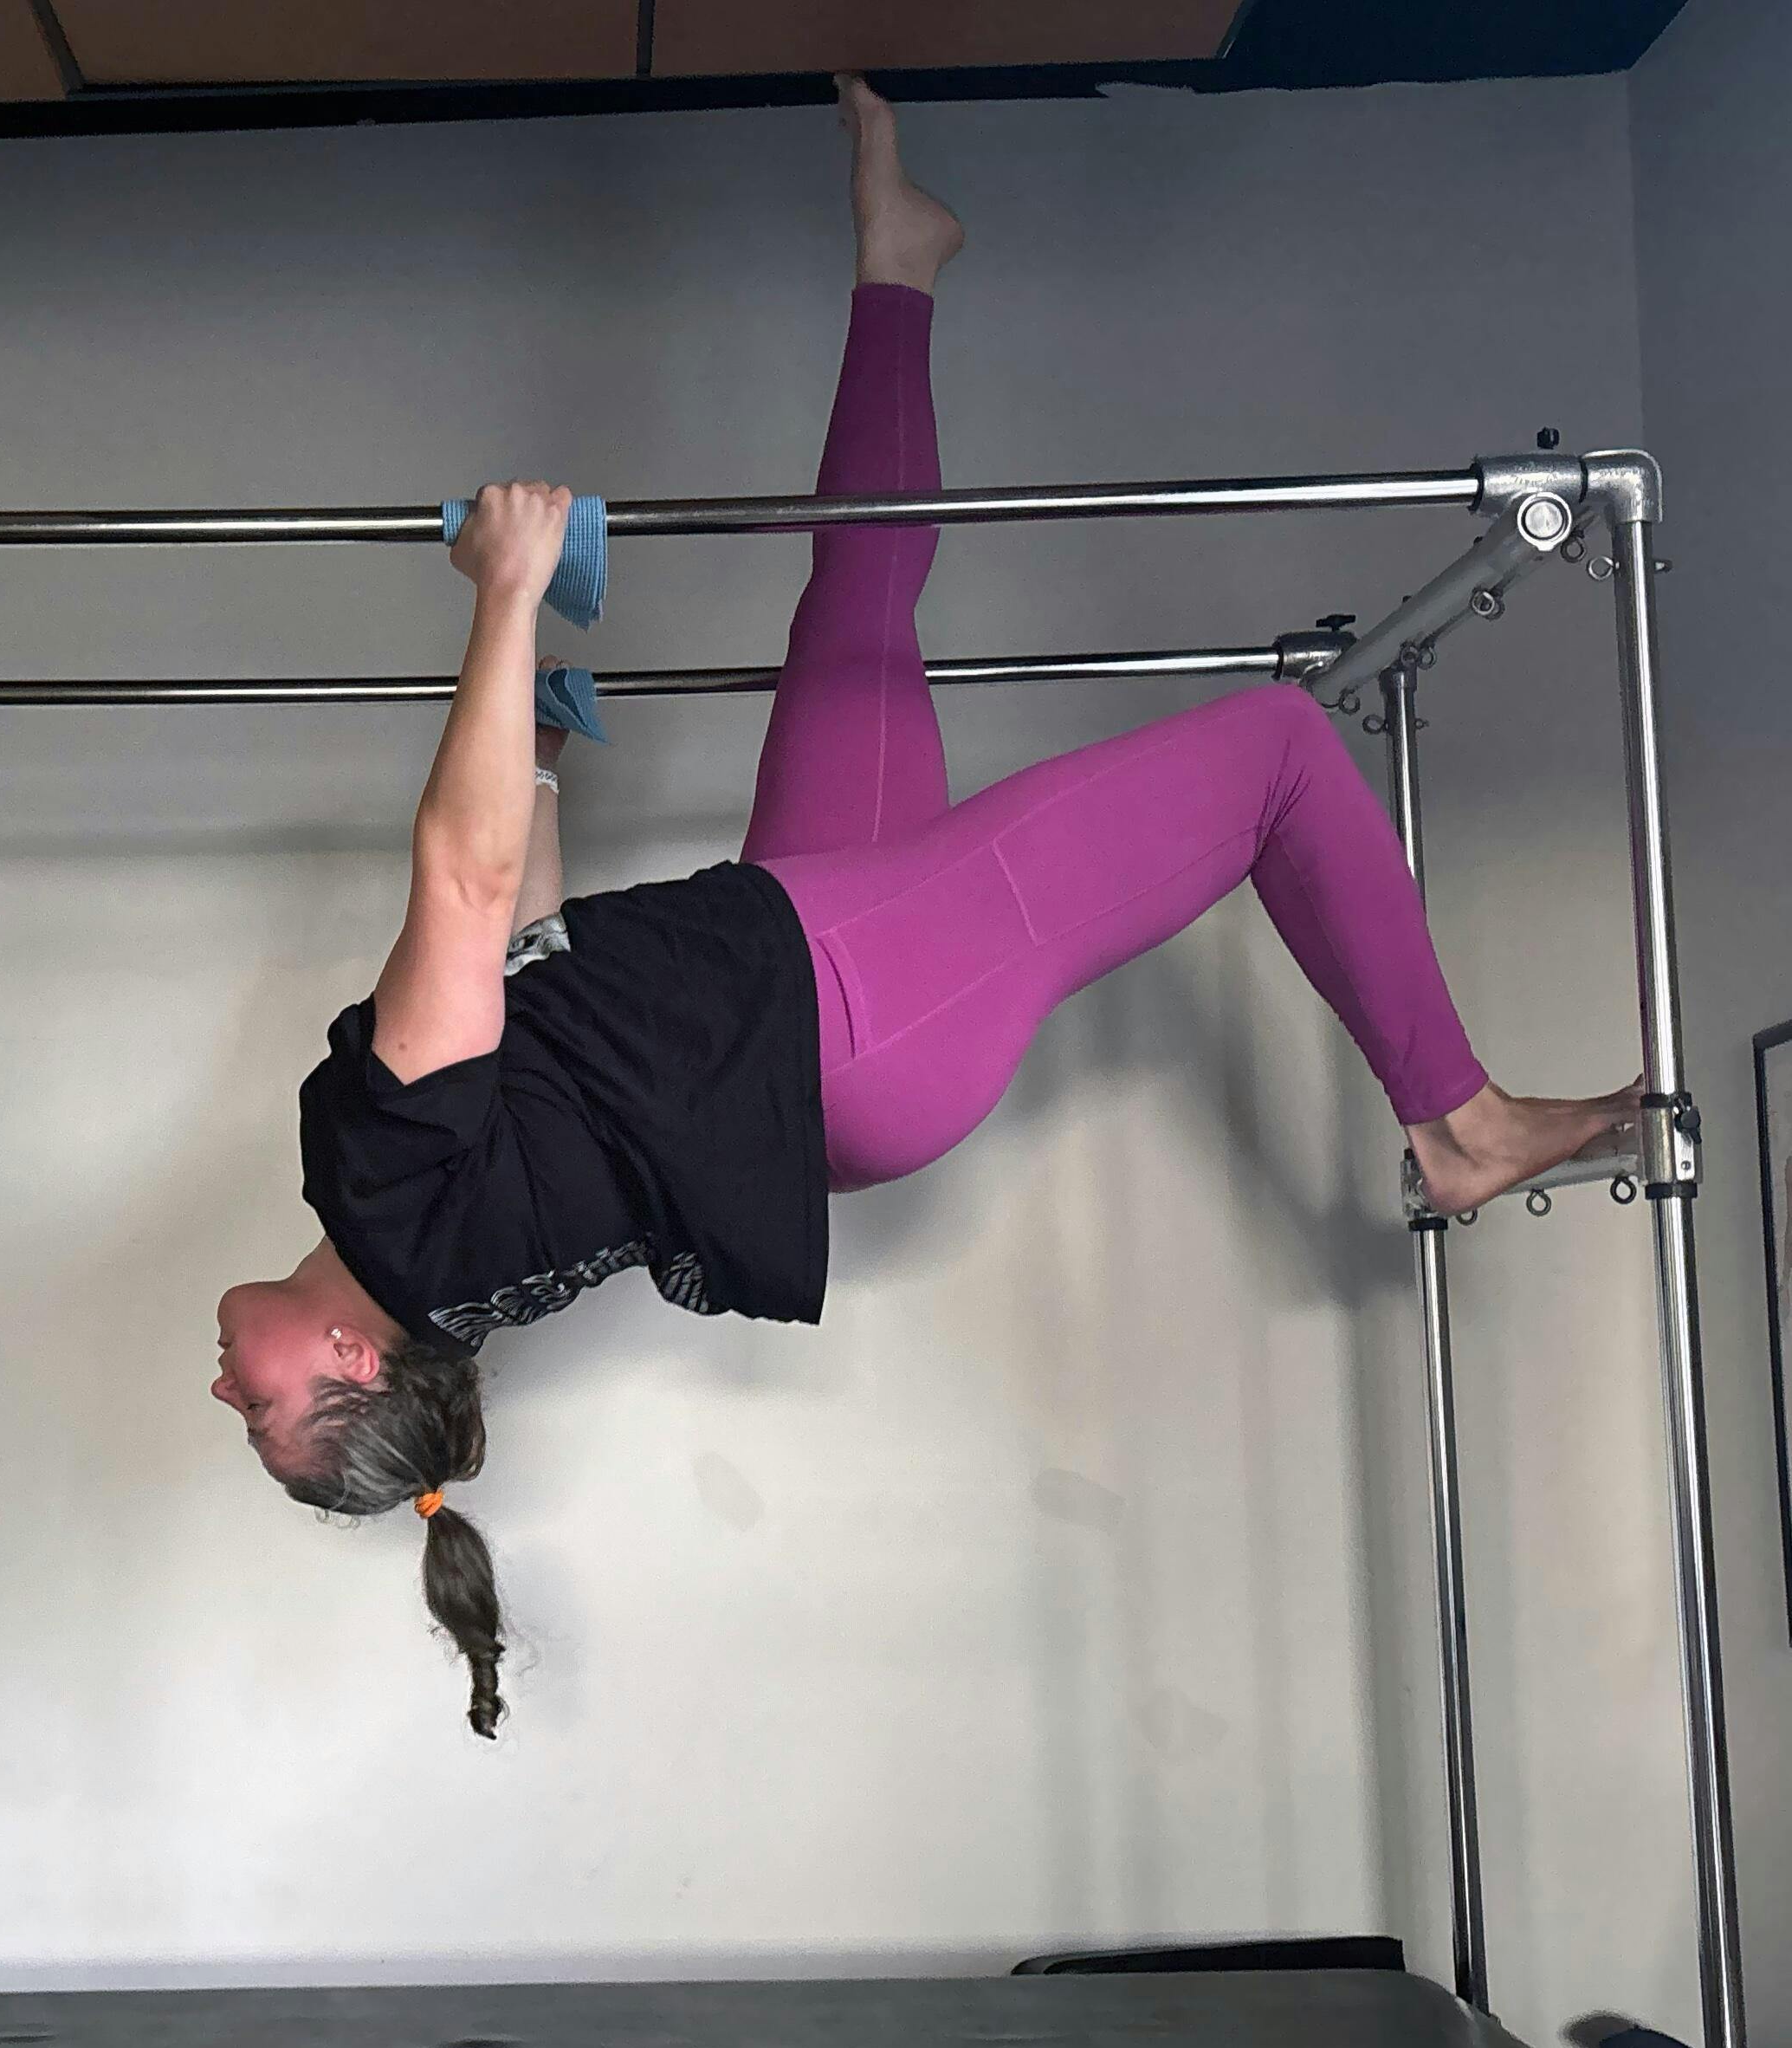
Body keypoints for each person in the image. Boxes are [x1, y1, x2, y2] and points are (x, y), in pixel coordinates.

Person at [212, 75, 1632, 1738]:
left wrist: (531, 756)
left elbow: (524, 981)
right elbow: (455, 894)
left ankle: (902, 256)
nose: (224, 1390)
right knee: (1275, 755)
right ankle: (1461, 1127)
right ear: (350, 1367)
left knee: (863, 595)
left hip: (796, 970)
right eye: (260, 1417)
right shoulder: (387, 1195)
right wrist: (506, 596)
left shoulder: (438, 1263)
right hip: (851, 1007)